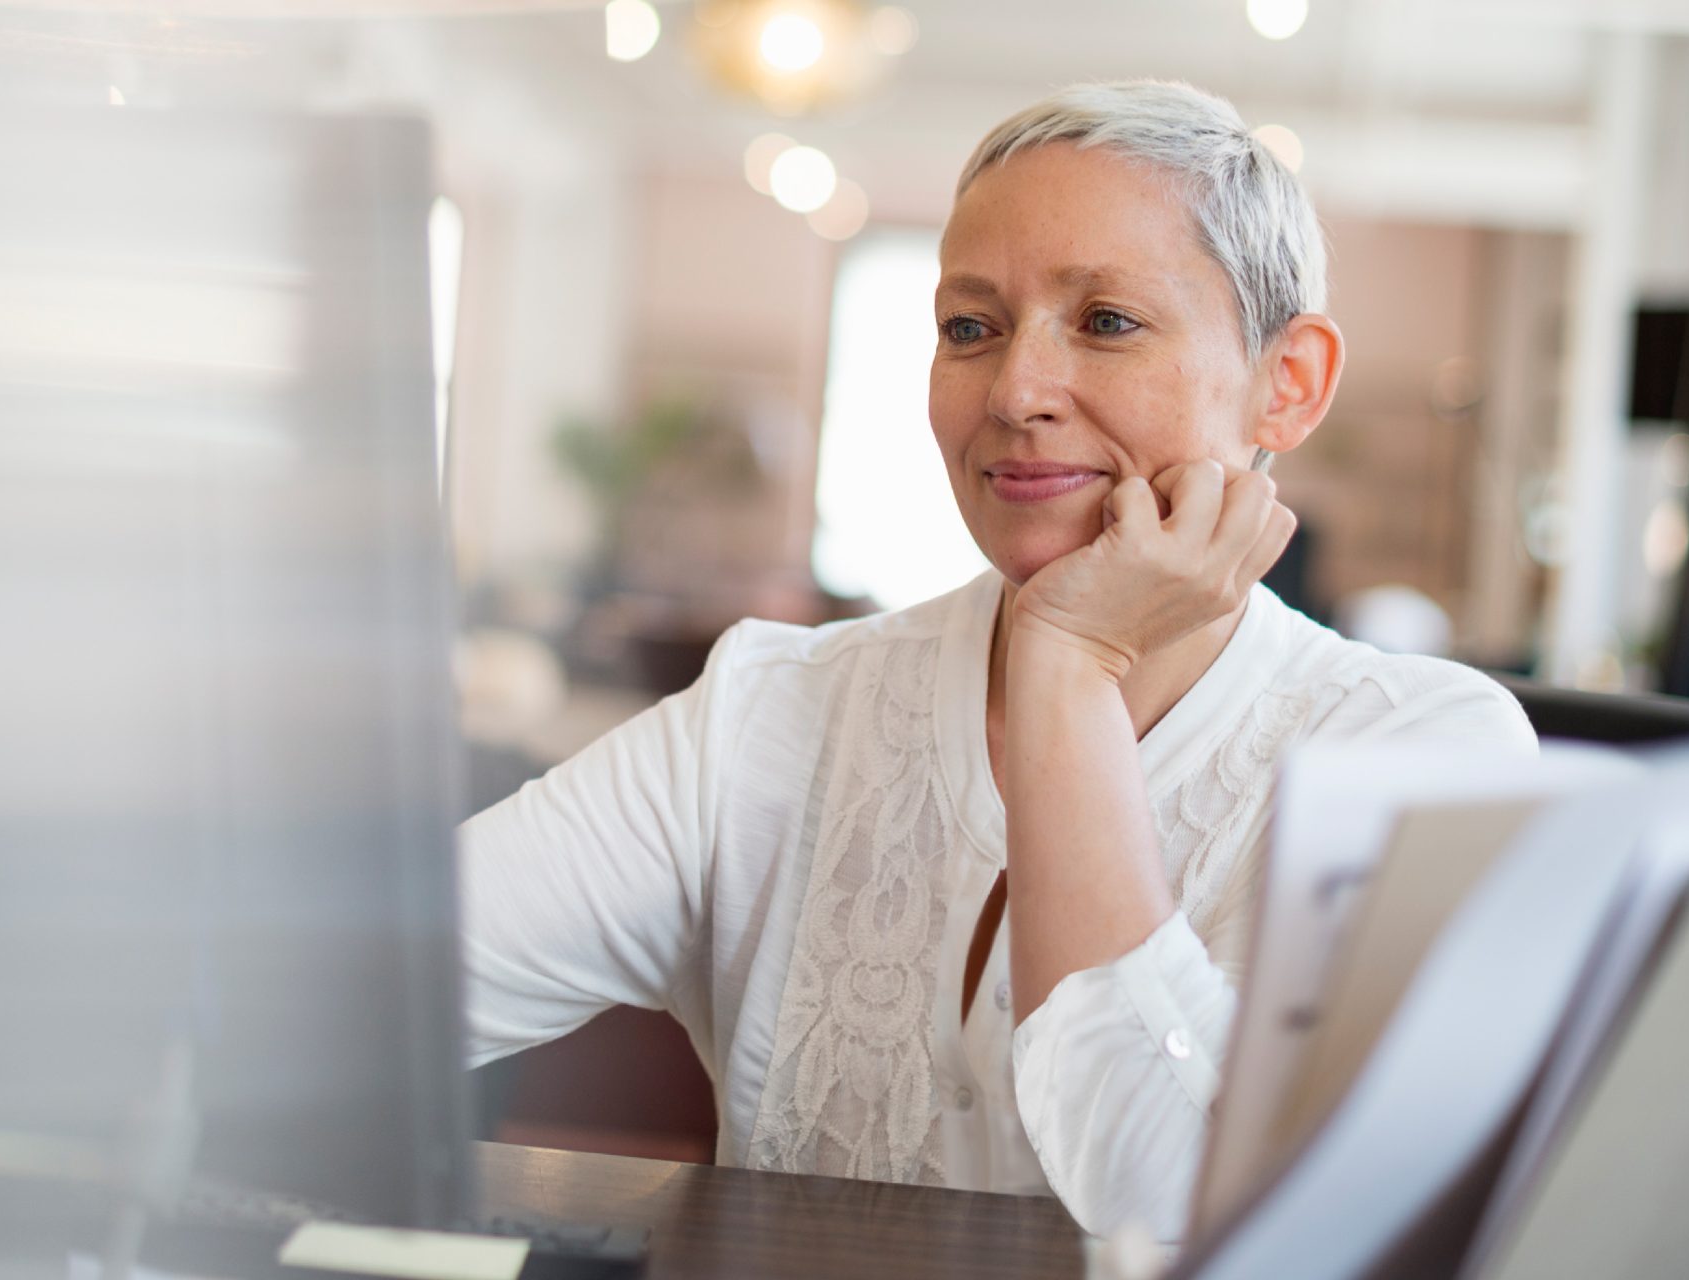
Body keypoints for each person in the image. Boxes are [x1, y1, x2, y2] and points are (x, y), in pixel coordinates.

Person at [458, 79, 1534, 1245]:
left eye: (1107, 321)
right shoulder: (773, 708)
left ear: (1290, 383)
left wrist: (1068, 663)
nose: (1015, 393)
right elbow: (367, 978)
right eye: (969, 326)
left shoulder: (1429, 760)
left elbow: (1181, 1213)